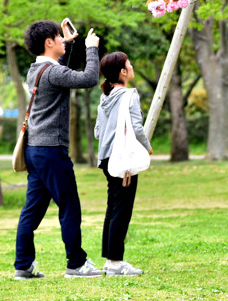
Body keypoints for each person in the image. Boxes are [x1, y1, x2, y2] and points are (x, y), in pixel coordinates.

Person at [14, 20, 104, 280]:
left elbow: (60, 74)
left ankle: (23, 265)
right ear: (48, 42)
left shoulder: (37, 70)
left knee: (32, 210)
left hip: (36, 149)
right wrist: (91, 48)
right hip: (51, 151)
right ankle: (76, 264)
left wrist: (72, 42)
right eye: (59, 37)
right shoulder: (51, 72)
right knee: (69, 206)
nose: (62, 40)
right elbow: (88, 79)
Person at [94, 51, 153, 276]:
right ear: (122, 71)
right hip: (123, 160)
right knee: (122, 210)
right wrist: (147, 146)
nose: (131, 65)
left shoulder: (104, 97)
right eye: (129, 63)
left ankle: (111, 262)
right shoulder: (129, 95)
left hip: (106, 158)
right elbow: (137, 128)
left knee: (113, 208)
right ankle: (116, 263)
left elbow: (98, 132)